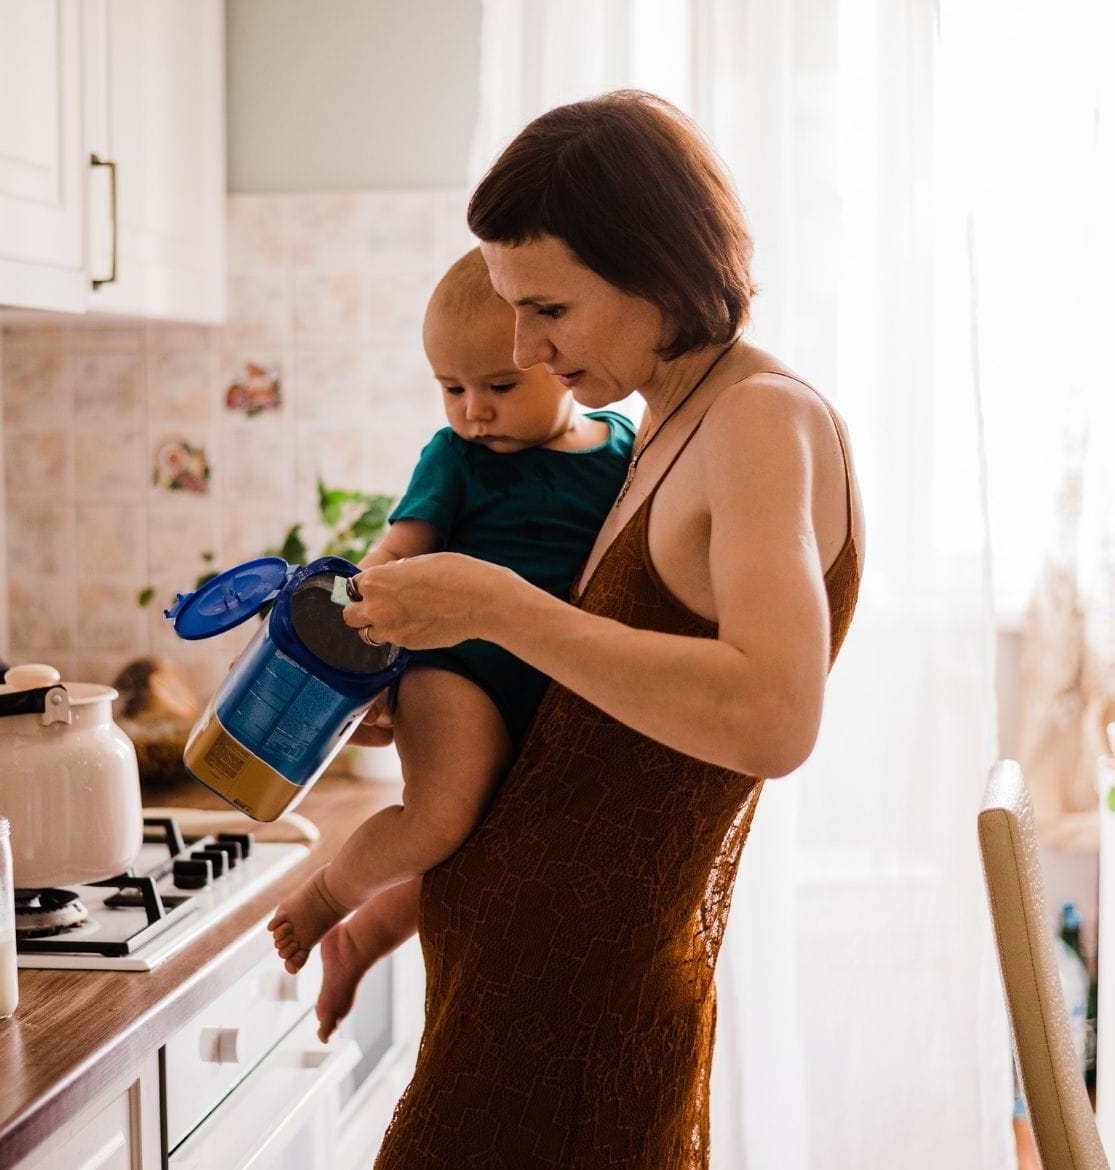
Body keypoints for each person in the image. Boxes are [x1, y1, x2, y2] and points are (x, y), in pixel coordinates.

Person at [337, 90, 865, 1170]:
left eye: (551, 310)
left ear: (658, 267)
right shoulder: (661, 418)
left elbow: (773, 717)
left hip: (583, 1011)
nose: (526, 349)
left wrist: (492, 604)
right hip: (521, 981)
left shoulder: (763, 420)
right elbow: (601, 724)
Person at [267, 248, 636, 1014]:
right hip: (457, 672)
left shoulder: (625, 447)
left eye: (499, 386)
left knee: (487, 848)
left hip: (554, 679)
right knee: (439, 820)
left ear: (557, 360)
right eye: (451, 388)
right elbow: (397, 554)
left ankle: (365, 939)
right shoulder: (457, 459)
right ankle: (330, 897)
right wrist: (351, 637)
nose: (474, 409)